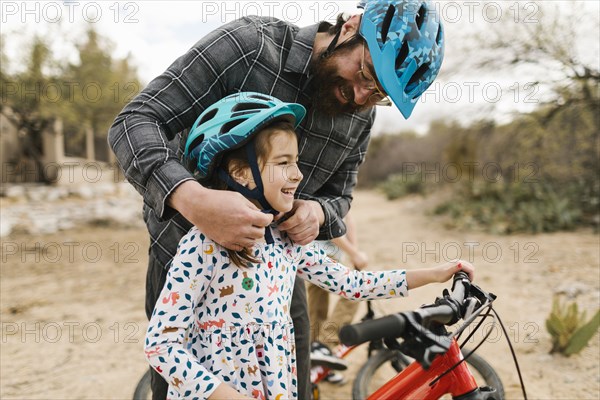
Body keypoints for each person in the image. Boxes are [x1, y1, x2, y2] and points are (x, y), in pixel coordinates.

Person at [108, 1, 445, 398]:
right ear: (353, 26)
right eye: (366, 73)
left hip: (279, 280)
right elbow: (135, 122)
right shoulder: (249, 46)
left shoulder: (360, 115)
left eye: (378, 93)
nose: (359, 95)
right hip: (185, 269)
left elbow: (341, 198)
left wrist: (318, 212)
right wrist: (193, 199)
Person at [144, 92, 474, 399]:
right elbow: (161, 344)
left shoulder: (285, 242)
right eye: (284, 162)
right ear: (242, 172)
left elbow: (353, 284)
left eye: (296, 161)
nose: (299, 174)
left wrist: (434, 273)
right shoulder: (202, 247)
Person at [307, 211, 368, 381]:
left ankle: (315, 358)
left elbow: (349, 217)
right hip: (316, 250)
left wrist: (354, 252)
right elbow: (327, 221)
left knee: (316, 301)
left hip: (321, 250)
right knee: (356, 289)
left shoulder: (346, 185)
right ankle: (324, 345)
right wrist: (354, 253)